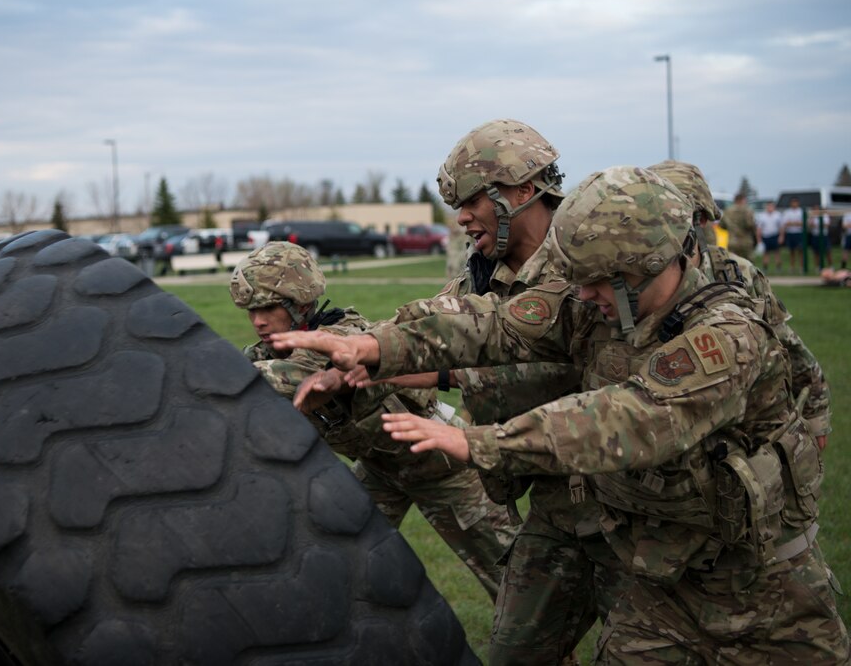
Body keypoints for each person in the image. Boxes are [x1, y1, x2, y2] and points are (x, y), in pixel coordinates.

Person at [273, 166, 849, 663]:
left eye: (597, 281)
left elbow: (628, 419)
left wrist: (479, 443)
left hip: (765, 592)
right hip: (659, 587)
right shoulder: (596, 305)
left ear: (645, 264)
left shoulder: (727, 335)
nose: (583, 294)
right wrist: (374, 348)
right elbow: (492, 324)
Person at [334, 119, 628, 665]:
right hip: (554, 508)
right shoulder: (480, 276)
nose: (462, 216)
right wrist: (361, 359)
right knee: (517, 653)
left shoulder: (596, 262)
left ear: (521, 191)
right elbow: (441, 346)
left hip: (626, 508)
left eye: (472, 200)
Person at [228, 241, 515, 599]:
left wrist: (207, 371)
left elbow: (291, 375)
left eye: (269, 307)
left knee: (511, 583)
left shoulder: (343, 336)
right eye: (251, 310)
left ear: (300, 303)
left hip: (444, 467)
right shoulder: (264, 354)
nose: (258, 320)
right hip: (379, 468)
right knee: (335, 564)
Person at [649, 160, 831, 451]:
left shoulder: (738, 274)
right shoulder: (633, 281)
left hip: (734, 438)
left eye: (678, 216)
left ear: (702, 220)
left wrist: (816, 411)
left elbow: (788, 345)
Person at [721, 192, 756, 259]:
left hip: (732, 241)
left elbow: (722, 225)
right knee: (748, 264)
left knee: (733, 263)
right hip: (746, 242)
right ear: (743, 200)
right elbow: (751, 225)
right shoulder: (747, 210)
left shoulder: (728, 210)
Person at [755, 200, 783, 271]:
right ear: (766, 207)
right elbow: (759, 229)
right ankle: (765, 267)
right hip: (765, 237)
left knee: (777, 252)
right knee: (766, 253)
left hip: (775, 236)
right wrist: (759, 239)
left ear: (774, 207)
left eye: (771, 206)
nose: (770, 208)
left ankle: (778, 267)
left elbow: (781, 227)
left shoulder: (778, 215)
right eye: (769, 206)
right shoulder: (762, 216)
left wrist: (781, 236)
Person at [781, 196, 805, 271]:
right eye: (793, 202)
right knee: (792, 251)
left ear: (798, 203)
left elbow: (803, 223)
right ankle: (792, 267)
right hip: (790, 233)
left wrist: (792, 223)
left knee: (800, 251)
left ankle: (801, 267)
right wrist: (795, 223)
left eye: (795, 202)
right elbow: (785, 223)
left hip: (799, 233)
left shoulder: (801, 211)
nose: (794, 204)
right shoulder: (787, 212)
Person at [807, 204, 831, 270]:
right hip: (815, 236)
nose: (816, 210)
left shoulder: (824, 215)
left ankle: (830, 266)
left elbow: (827, 225)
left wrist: (816, 225)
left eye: (817, 208)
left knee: (827, 251)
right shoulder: (812, 216)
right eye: (815, 209)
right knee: (816, 252)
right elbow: (809, 225)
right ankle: (818, 267)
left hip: (824, 235)